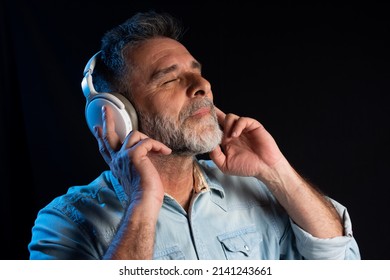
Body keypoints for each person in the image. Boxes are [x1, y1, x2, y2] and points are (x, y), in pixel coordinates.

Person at [28, 10, 361, 260]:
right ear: (117, 114)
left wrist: (275, 171)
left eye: (196, 73)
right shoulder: (65, 222)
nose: (202, 86)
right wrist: (142, 204)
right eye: (169, 78)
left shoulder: (259, 189)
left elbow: (344, 264)